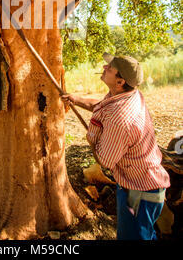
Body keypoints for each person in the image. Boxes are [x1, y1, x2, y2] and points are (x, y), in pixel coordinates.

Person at [61, 52, 170, 241]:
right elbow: (103, 106)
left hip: (139, 193)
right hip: (143, 185)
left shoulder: (121, 120)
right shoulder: (127, 94)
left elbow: (104, 160)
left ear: (120, 82)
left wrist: (93, 135)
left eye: (110, 68)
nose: (104, 68)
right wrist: (76, 99)